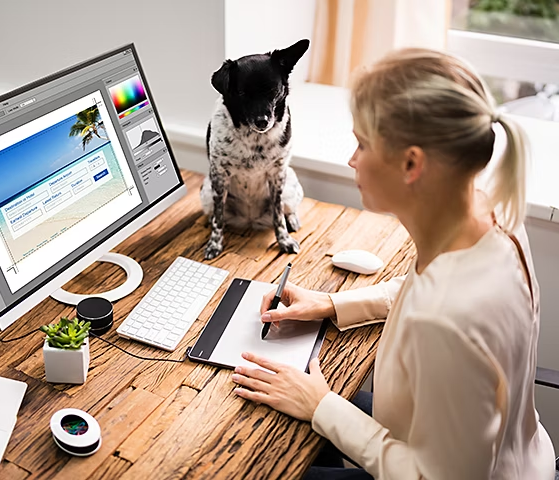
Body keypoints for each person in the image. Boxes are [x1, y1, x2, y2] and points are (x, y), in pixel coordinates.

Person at [230, 48, 556, 479]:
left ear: (411, 164)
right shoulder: (495, 217)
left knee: (260, 464)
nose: (351, 159)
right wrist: (331, 304)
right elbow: (425, 287)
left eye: (362, 143)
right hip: (518, 454)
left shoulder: (444, 320)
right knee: (292, 423)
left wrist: (321, 405)